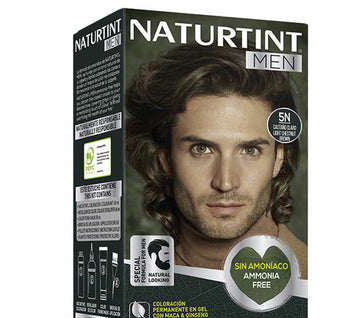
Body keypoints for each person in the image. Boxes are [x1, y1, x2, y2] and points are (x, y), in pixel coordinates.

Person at [126, 44, 307, 279]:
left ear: (278, 158)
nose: (225, 182)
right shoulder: (141, 275)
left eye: (250, 150)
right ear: (166, 160)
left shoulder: (308, 284)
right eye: (201, 149)